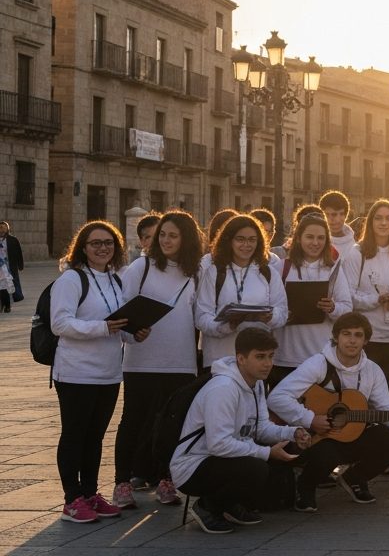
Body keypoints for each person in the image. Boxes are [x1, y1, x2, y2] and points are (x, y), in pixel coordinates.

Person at [169, 327, 309, 534]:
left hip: (222, 458)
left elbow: (261, 428)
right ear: (241, 358)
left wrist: (292, 433)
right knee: (257, 467)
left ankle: (228, 505)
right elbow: (218, 444)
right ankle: (208, 507)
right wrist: (267, 453)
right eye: (260, 357)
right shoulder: (223, 389)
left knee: (280, 454)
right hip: (193, 466)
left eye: (270, 356)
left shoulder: (257, 383)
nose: (268, 363)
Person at [269, 312, 389, 509]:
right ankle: (305, 486)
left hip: (352, 435)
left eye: (358, 335)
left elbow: (385, 408)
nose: (352, 340)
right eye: (347, 334)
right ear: (336, 337)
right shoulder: (318, 364)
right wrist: (310, 419)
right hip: (316, 436)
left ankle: (356, 478)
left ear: (366, 341)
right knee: (328, 453)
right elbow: (277, 398)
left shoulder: (372, 370)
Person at [113, 211, 202, 509]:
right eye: (163, 234)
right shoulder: (141, 267)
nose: (165, 240)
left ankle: (167, 480)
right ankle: (122, 483)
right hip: (141, 360)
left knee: (173, 424)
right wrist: (131, 334)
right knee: (133, 421)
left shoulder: (196, 272)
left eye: (173, 235)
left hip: (181, 361)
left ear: (186, 239)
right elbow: (122, 312)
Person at [52, 220, 133, 523]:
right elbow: (60, 323)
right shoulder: (72, 280)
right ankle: (71, 499)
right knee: (75, 435)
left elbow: (118, 323)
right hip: (76, 373)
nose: (102, 248)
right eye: (95, 243)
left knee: (95, 437)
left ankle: (89, 493)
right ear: (82, 248)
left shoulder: (115, 280)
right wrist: (101, 328)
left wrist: (132, 332)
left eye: (108, 243)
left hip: (109, 373)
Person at [196, 214, 288, 365]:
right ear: (229, 240)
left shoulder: (268, 272)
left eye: (252, 240)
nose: (246, 245)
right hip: (219, 361)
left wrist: (270, 317)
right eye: (240, 239)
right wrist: (227, 325)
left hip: (255, 363)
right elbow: (201, 317)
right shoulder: (214, 272)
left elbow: (282, 312)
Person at [273, 215, 353, 386]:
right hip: (285, 357)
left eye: (321, 238)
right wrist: (281, 313)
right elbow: (269, 308)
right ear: (298, 238)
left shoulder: (333, 269)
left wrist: (332, 308)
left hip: (321, 357)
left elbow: (347, 308)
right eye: (310, 237)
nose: (315, 243)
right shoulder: (281, 267)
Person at [348, 199, 389, 383]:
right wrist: (377, 299)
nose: (384, 223)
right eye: (378, 218)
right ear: (370, 222)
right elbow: (348, 296)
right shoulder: (356, 253)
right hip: (368, 337)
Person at [318, 190, 358, 255]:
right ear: (322, 215)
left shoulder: (356, 246)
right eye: (332, 215)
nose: (337, 220)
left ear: (346, 216)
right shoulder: (314, 243)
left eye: (341, 214)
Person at [0, 220, 25, 304]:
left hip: (10, 265)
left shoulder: (13, 240)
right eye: (0, 228)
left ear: (7, 229)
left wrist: (20, 265)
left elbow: (19, 253)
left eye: (4, 228)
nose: (2, 230)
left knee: (12, 281)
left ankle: (15, 296)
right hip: (1, 266)